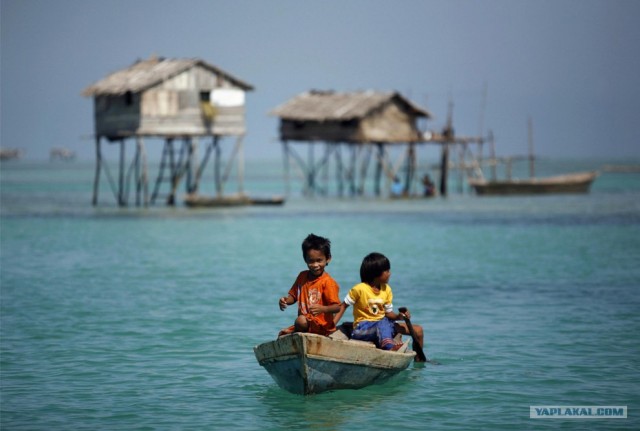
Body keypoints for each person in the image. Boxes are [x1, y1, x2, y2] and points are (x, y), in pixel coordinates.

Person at [334, 252, 425, 359]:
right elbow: (343, 306)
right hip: (362, 328)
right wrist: (331, 326)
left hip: (384, 324)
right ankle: (390, 346)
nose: (389, 273)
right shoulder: (359, 289)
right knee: (382, 323)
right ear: (375, 274)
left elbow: (388, 314)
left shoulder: (387, 289)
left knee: (418, 330)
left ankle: (419, 361)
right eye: (386, 271)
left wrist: (399, 316)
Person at [278, 234, 341, 337]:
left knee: (300, 321)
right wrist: (285, 301)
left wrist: (323, 309)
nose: (315, 265)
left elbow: (337, 307)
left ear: (328, 259)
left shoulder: (328, 282)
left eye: (319, 260)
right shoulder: (302, 276)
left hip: (321, 326)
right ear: (305, 259)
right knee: (284, 333)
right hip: (306, 324)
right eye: (311, 261)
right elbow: (293, 296)